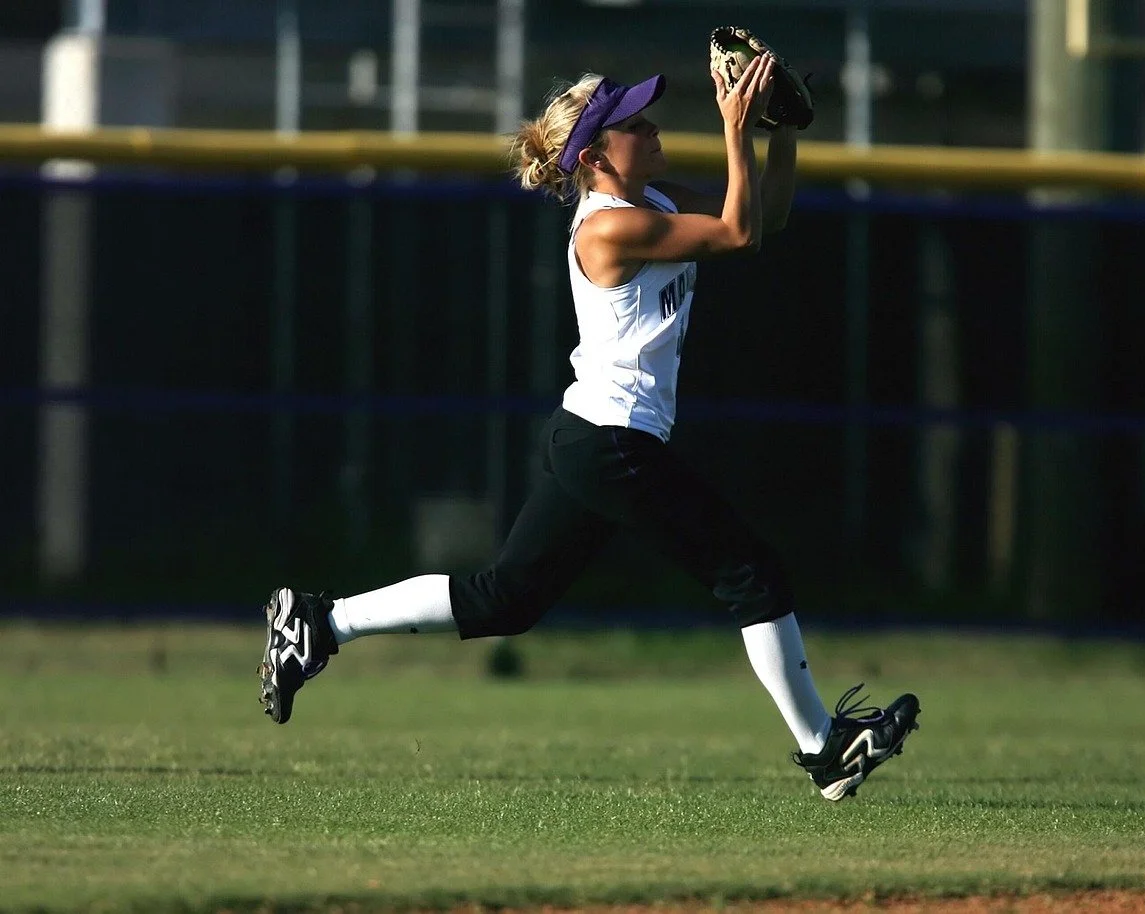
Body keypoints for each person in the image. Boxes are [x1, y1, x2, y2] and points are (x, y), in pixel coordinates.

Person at [256, 54, 920, 802]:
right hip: (613, 444)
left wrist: (782, 132)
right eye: (634, 123)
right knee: (751, 574)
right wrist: (736, 125)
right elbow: (737, 234)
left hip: (594, 439)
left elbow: (765, 214)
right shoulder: (610, 228)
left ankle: (320, 622)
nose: (652, 127)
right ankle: (824, 752)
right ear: (597, 153)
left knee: (507, 599)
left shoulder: (653, 200)